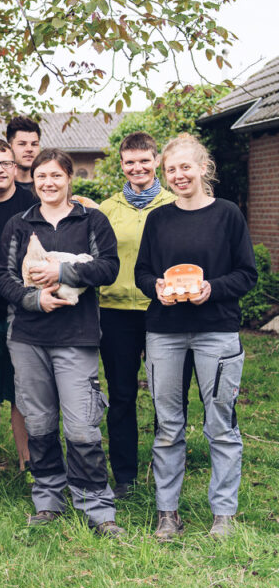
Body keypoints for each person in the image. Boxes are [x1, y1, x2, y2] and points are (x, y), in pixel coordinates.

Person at [0, 148, 124, 536]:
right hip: (28, 337)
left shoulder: (92, 219)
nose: (48, 183)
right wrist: (36, 299)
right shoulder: (20, 224)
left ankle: (96, 505)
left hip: (76, 336)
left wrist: (62, 269)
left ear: (69, 179)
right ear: (32, 182)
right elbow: (3, 277)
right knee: (39, 422)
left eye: (55, 176)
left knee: (82, 424)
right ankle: (48, 498)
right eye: (41, 177)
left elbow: (109, 268)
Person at [134, 133, 257, 540]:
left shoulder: (227, 215)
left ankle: (223, 514)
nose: (178, 175)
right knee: (168, 426)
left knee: (220, 425)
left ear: (203, 168)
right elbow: (142, 272)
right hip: (165, 332)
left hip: (216, 329)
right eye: (171, 170)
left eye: (185, 167)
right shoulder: (158, 218)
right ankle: (167, 513)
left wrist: (212, 289)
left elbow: (246, 274)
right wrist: (156, 287)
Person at [97, 132, 177, 499]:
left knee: (167, 395)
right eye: (130, 162)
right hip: (115, 313)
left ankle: (167, 471)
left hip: (165, 310)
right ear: (122, 165)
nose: (137, 167)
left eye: (144, 160)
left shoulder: (175, 204)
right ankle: (125, 476)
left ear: (157, 160)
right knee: (123, 395)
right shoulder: (107, 209)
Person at [0, 139, 37, 482]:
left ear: (16, 168)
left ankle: (26, 461)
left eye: (6, 163)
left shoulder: (31, 203)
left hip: (24, 311)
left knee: (21, 390)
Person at [5, 116, 41, 193]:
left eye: (34, 144)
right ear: (9, 147)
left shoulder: (48, 188)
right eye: (22, 144)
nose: (29, 149)